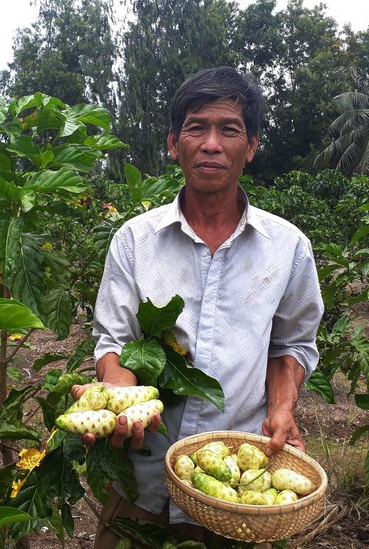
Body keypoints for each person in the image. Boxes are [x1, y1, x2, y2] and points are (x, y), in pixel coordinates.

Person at [74, 66, 324, 548]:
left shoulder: (287, 248)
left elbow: (292, 343)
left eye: (229, 129)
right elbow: (115, 341)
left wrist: (282, 407)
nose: (212, 144)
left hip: (236, 483)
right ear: (174, 142)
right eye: (196, 127)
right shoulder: (134, 241)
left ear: (250, 146)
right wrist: (119, 398)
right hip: (141, 476)